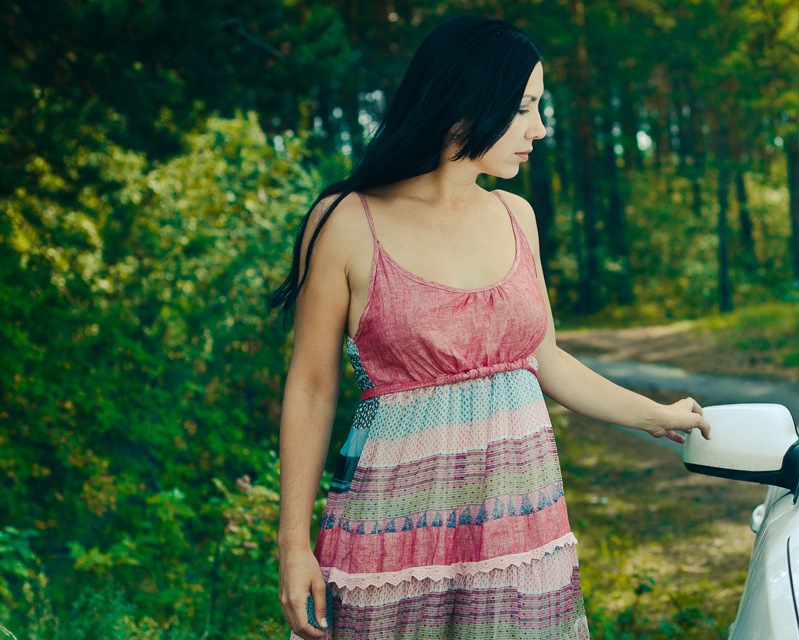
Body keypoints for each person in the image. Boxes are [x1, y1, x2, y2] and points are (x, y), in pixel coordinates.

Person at [271, 15, 711, 640]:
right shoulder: (344, 221)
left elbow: (546, 360)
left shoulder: (516, 216)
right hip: (394, 534)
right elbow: (312, 387)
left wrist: (655, 415)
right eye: (525, 106)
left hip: (517, 529)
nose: (540, 127)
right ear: (465, 101)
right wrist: (293, 546)